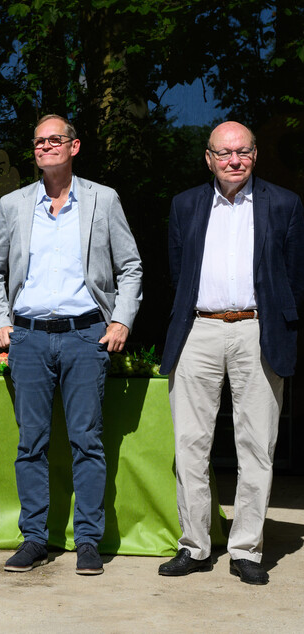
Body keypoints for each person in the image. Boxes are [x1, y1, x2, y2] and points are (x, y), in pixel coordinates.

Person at [0, 114, 142, 576]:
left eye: (55, 140)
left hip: (86, 335)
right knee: (31, 443)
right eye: (38, 142)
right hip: (28, 338)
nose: (46, 147)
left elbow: (130, 266)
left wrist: (120, 321)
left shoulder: (102, 200)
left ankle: (87, 540)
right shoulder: (13, 204)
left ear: (74, 147)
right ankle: (35, 539)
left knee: (86, 442)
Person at [157, 121, 304, 585]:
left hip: (258, 330)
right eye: (223, 153)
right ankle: (196, 545)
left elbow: (296, 278)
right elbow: (177, 272)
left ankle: (245, 549)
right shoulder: (185, 205)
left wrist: (280, 323)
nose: (233, 160)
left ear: (255, 154)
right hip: (198, 329)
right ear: (209, 158)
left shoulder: (284, 203)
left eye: (241, 152)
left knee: (257, 445)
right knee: (190, 444)